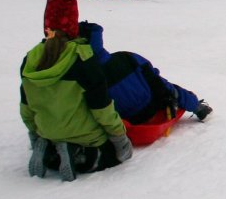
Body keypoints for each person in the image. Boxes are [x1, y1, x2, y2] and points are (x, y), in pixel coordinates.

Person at [20, 0, 133, 181]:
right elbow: (101, 108)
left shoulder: (30, 59)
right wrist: (119, 138)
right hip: (84, 135)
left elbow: (26, 107)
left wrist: (35, 134)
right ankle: (77, 152)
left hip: (47, 132)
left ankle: (48, 149)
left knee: (53, 142)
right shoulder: (82, 60)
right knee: (109, 156)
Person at [80, 20, 213, 123]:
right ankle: (197, 107)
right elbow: (156, 80)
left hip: (123, 121)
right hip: (151, 107)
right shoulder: (126, 58)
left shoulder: (79, 76)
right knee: (171, 88)